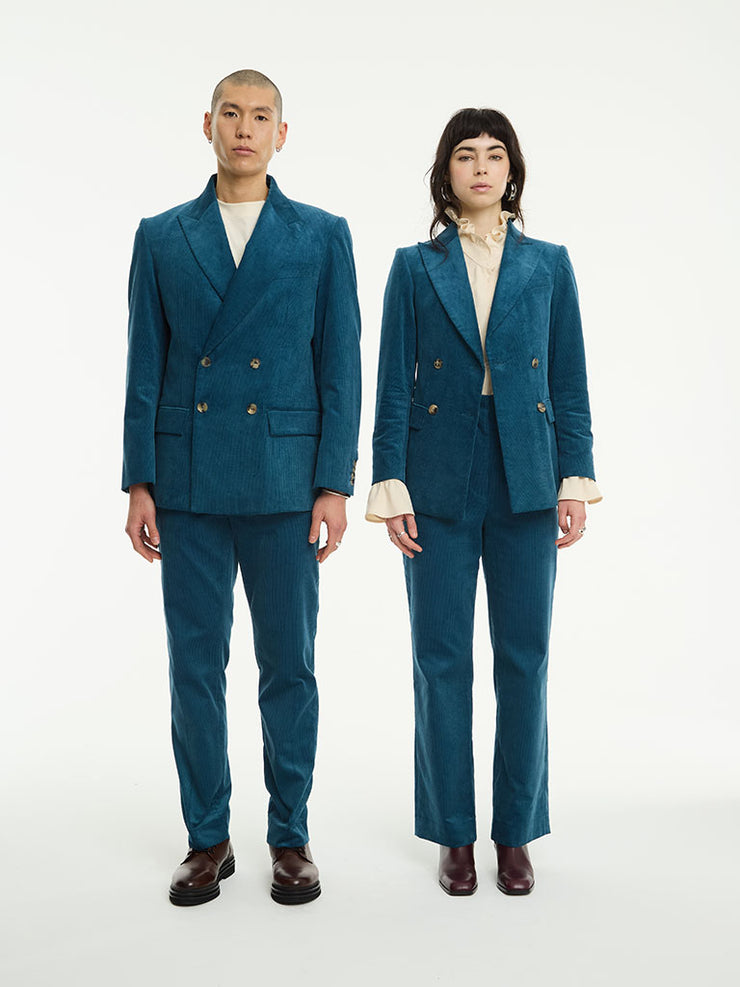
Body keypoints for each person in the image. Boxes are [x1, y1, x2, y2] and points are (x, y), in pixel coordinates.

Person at [122, 68, 361, 906]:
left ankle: (290, 835)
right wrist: (139, 479)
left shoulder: (322, 235)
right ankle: (208, 837)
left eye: (262, 116)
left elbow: (341, 366)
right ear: (208, 125)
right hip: (186, 480)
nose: (246, 128)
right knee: (195, 667)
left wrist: (333, 483)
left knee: (289, 666)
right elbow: (144, 364)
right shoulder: (161, 235)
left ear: (282, 134)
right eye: (232, 113)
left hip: (286, 482)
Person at [366, 107, 601, 897]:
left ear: (512, 172)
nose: (480, 166)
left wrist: (574, 479)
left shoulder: (550, 264)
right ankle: (453, 835)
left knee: (524, 658)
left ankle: (515, 833)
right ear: (446, 173)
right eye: (465, 155)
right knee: (440, 659)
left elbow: (568, 379)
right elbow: (393, 382)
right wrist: (391, 484)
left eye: (494, 155)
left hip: (527, 476)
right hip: (435, 479)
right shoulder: (414, 266)